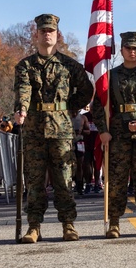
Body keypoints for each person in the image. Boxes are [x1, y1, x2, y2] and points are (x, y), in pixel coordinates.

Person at [14, 14, 94, 243]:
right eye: (43, 31)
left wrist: (70, 109)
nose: (47, 34)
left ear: (57, 35)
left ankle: (68, 224)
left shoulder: (69, 65)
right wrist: (21, 110)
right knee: (35, 182)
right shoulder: (25, 66)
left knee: (64, 180)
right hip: (34, 130)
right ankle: (34, 226)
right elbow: (23, 91)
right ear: (36, 35)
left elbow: (87, 91)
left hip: (61, 131)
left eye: (51, 31)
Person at [91, 31, 136, 239]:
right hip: (118, 136)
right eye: (128, 48)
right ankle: (114, 222)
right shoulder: (110, 76)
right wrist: (103, 132)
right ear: (121, 50)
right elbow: (99, 106)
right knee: (116, 180)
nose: (132, 52)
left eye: (135, 48)